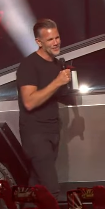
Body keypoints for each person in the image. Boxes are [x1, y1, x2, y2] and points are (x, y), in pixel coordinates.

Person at [16, 19, 71, 198]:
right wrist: (58, 82)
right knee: (51, 189)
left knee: (37, 185)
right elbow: (29, 102)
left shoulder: (57, 64)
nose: (56, 42)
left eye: (57, 37)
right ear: (39, 42)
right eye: (50, 40)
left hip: (52, 130)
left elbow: (57, 95)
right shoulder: (29, 65)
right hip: (35, 133)